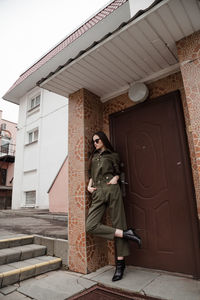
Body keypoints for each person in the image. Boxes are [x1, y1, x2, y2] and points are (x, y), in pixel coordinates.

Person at [86, 131, 142, 281]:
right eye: (93, 142)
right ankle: (127, 233)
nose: (95, 143)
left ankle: (120, 266)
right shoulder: (93, 157)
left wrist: (116, 178)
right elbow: (91, 174)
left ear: (103, 140)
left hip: (112, 189)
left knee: (119, 223)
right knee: (90, 226)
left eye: (97, 140)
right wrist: (88, 187)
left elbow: (119, 171)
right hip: (97, 192)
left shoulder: (113, 155)